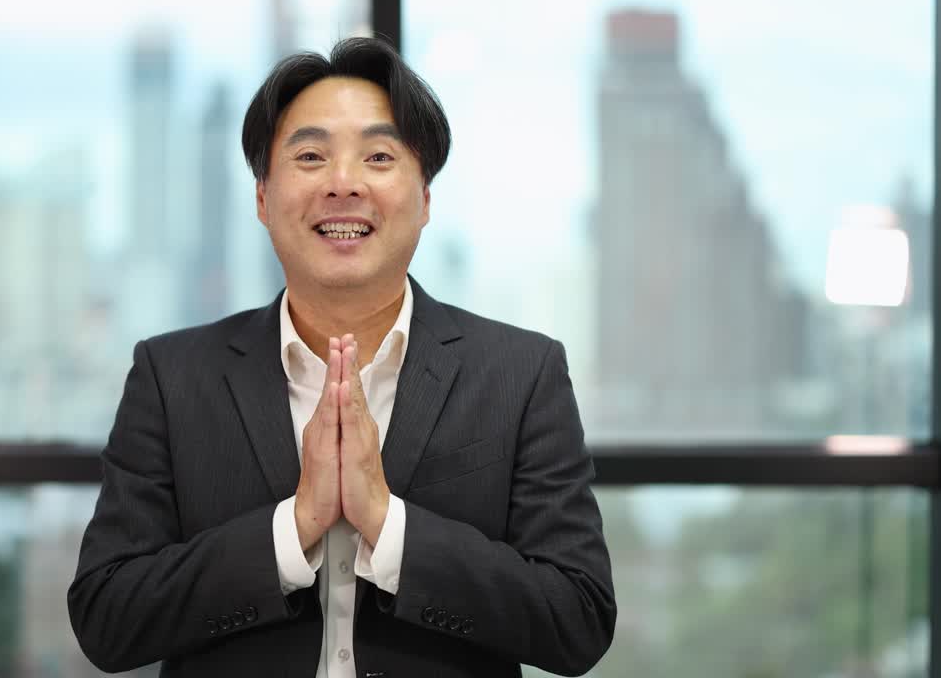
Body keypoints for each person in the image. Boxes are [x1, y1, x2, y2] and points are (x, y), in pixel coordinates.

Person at [68, 36, 615, 678]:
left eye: (379, 156)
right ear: (263, 199)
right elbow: (107, 618)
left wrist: (388, 524)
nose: (343, 183)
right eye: (310, 156)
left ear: (426, 198)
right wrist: (292, 529)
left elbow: (577, 620)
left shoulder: (521, 374)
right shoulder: (172, 376)